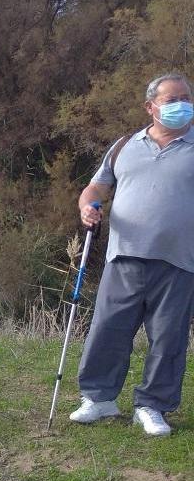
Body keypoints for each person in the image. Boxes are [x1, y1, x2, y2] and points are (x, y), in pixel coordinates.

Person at [70, 72, 194, 437]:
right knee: (108, 329)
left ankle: (153, 406)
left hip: (179, 261)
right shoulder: (124, 146)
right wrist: (88, 207)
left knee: (168, 337)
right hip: (123, 256)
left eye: (186, 97)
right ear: (150, 106)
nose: (181, 105)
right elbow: (96, 186)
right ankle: (99, 399)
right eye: (172, 100)